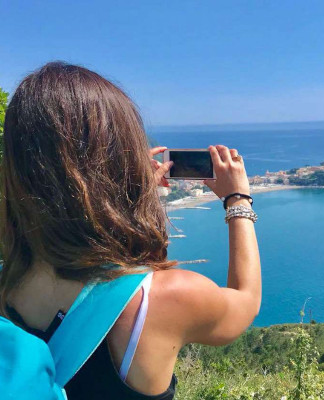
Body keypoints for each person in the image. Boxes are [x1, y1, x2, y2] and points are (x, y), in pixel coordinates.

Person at [0, 62, 261, 399]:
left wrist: (137, 200)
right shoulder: (166, 299)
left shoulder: (9, 281)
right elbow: (245, 302)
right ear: (121, 158)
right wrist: (238, 200)